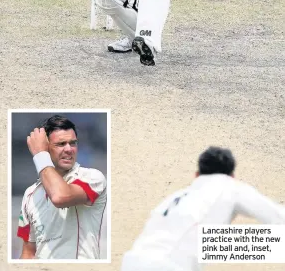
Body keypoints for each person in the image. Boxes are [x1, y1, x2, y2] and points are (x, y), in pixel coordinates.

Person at [120, 146, 285, 271]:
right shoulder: (229, 186)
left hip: (131, 263)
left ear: (197, 175)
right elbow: (279, 217)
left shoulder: (177, 197)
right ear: (231, 176)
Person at [17, 115, 107, 260]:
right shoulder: (30, 194)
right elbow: (28, 253)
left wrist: (40, 155)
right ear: (45, 147)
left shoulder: (92, 177)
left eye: (73, 143)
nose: (69, 149)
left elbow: (60, 197)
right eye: (61, 144)